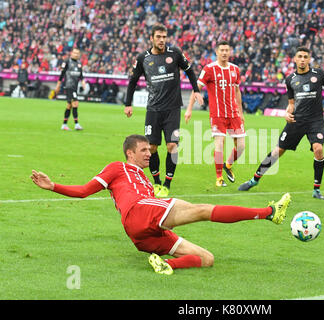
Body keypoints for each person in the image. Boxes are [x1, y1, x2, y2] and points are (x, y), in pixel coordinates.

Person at [30, 134, 292, 275]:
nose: (149, 153)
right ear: (130, 153)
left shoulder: (142, 176)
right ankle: (269, 213)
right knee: (201, 210)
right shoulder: (117, 167)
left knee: (206, 259)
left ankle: (165, 265)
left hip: (141, 234)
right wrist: (54, 186)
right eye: (143, 150)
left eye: (149, 150)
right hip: (141, 211)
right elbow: (85, 191)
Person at [238, 47, 324, 200]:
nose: (302, 59)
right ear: (294, 59)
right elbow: (291, 104)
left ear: (309, 59)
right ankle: (254, 180)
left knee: (318, 149)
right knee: (277, 152)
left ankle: (316, 190)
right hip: (296, 120)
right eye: (299, 56)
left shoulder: (319, 74)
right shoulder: (290, 80)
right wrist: (287, 113)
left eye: (305, 57)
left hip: (315, 121)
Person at [124, 24, 204, 197]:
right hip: (153, 109)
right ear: (151, 38)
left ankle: (167, 183)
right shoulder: (142, 58)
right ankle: (157, 183)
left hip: (173, 108)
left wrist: (196, 90)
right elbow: (133, 80)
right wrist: (127, 103)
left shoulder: (174, 53)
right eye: (158, 37)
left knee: (172, 146)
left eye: (164, 37)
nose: (162, 40)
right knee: (151, 147)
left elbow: (190, 71)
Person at [185, 40, 245, 187]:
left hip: (234, 114)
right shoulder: (209, 69)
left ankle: (228, 165)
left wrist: (241, 112)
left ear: (230, 52)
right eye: (221, 50)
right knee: (219, 144)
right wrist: (189, 108)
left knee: (241, 146)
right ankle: (219, 178)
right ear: (217, 52)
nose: (224, 53)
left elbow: (237, 91)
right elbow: (196, 87)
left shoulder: (235, 69)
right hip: (217, 114)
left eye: (227, 50)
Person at [54, 48, 86, 131]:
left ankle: (64, 124)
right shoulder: (67, 62)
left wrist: (83, 82)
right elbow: (62, 74)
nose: (76, 54)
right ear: (71, 53)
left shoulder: (79, 64)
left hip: (74, 87)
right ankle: (76, 124)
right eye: (74, 53)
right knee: (75, 103)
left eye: (77, 53)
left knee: (69, 106)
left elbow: (81, 75)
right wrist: (58, 85)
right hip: (69, 86)